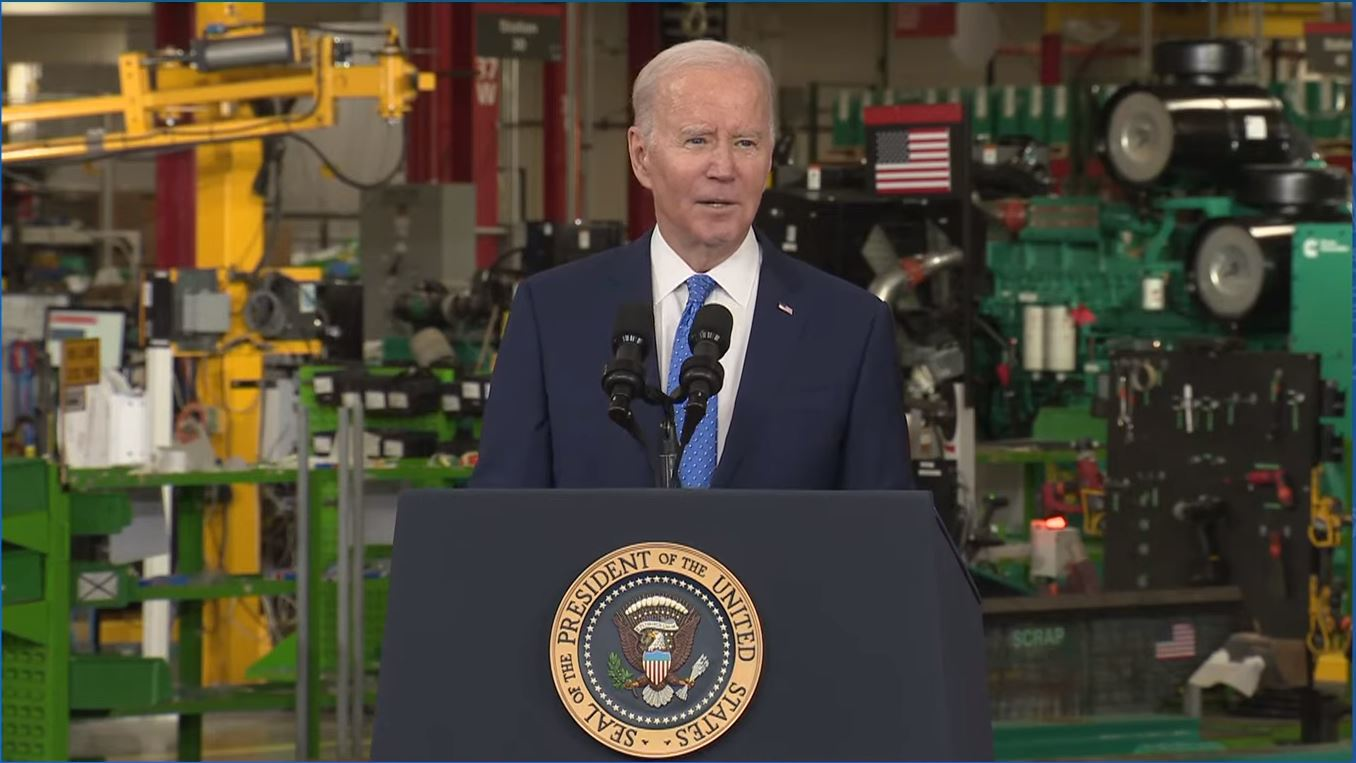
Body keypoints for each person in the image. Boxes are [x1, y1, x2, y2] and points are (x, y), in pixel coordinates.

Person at [470, 39, 912, 490]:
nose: (723, 167)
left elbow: (883, 535)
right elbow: (503, 516)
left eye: (745, 142)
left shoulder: (850, 327)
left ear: (770, 155)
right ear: (641, 156)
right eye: (697, 140)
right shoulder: (551, 313)